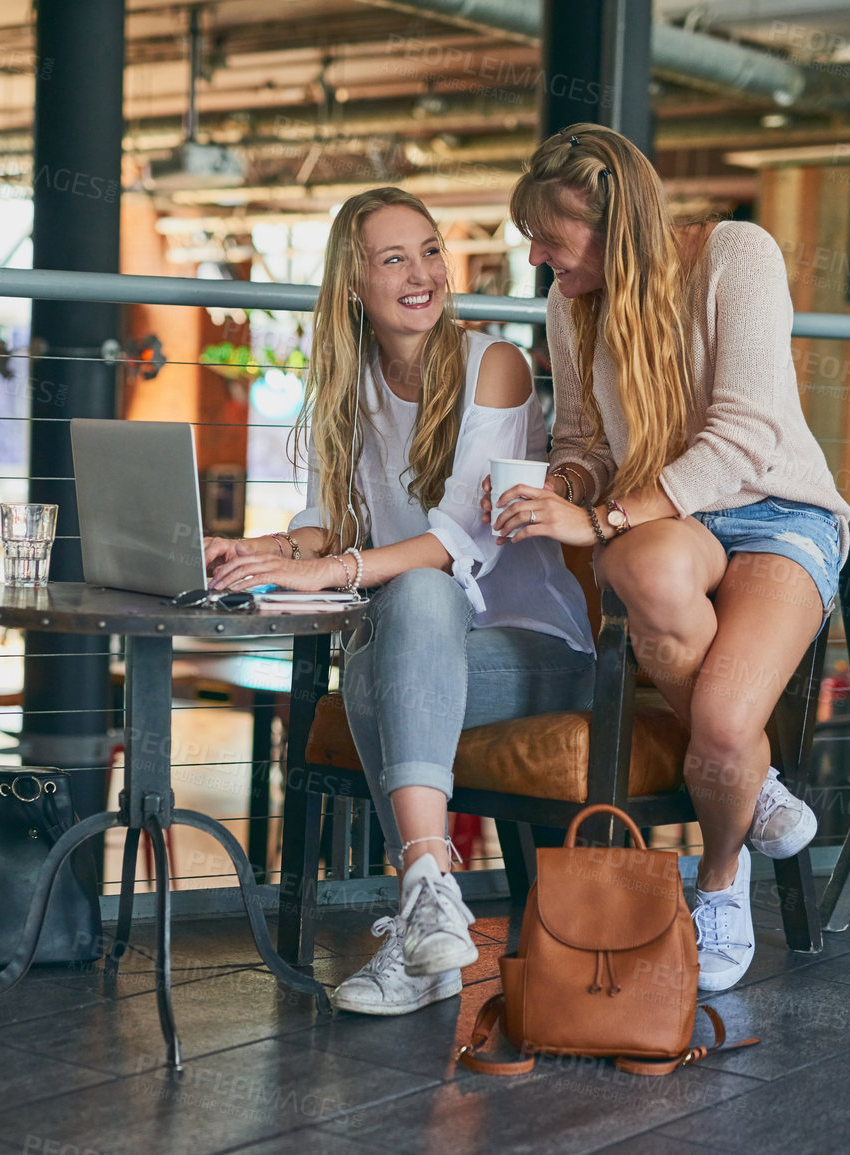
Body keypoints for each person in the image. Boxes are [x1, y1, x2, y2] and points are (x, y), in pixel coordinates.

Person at [204, 187, 596, 1015]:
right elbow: (325, 521)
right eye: (394, 259)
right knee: (396, 634)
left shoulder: (494, 362)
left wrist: (335, 568)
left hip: (532, 654)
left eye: (428, 251)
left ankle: (423, 932)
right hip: (418, 653)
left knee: (408, 608)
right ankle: (430, 905)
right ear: (353, 283)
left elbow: (467, 539)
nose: (421, 273)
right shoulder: (348, 384)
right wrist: (268, 552)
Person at [486, 124, 850, 993]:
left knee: (723, 728)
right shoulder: (572, 303)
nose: (538, 258)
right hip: (673, 519)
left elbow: (743, 437)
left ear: (615, 222)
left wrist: (603, 513)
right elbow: (582, 438)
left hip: (776, 509)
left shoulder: (736, 254)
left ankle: (719, 878)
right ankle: (751, 789)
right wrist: (561, 487)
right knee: (635, 568)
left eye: (550, 236)